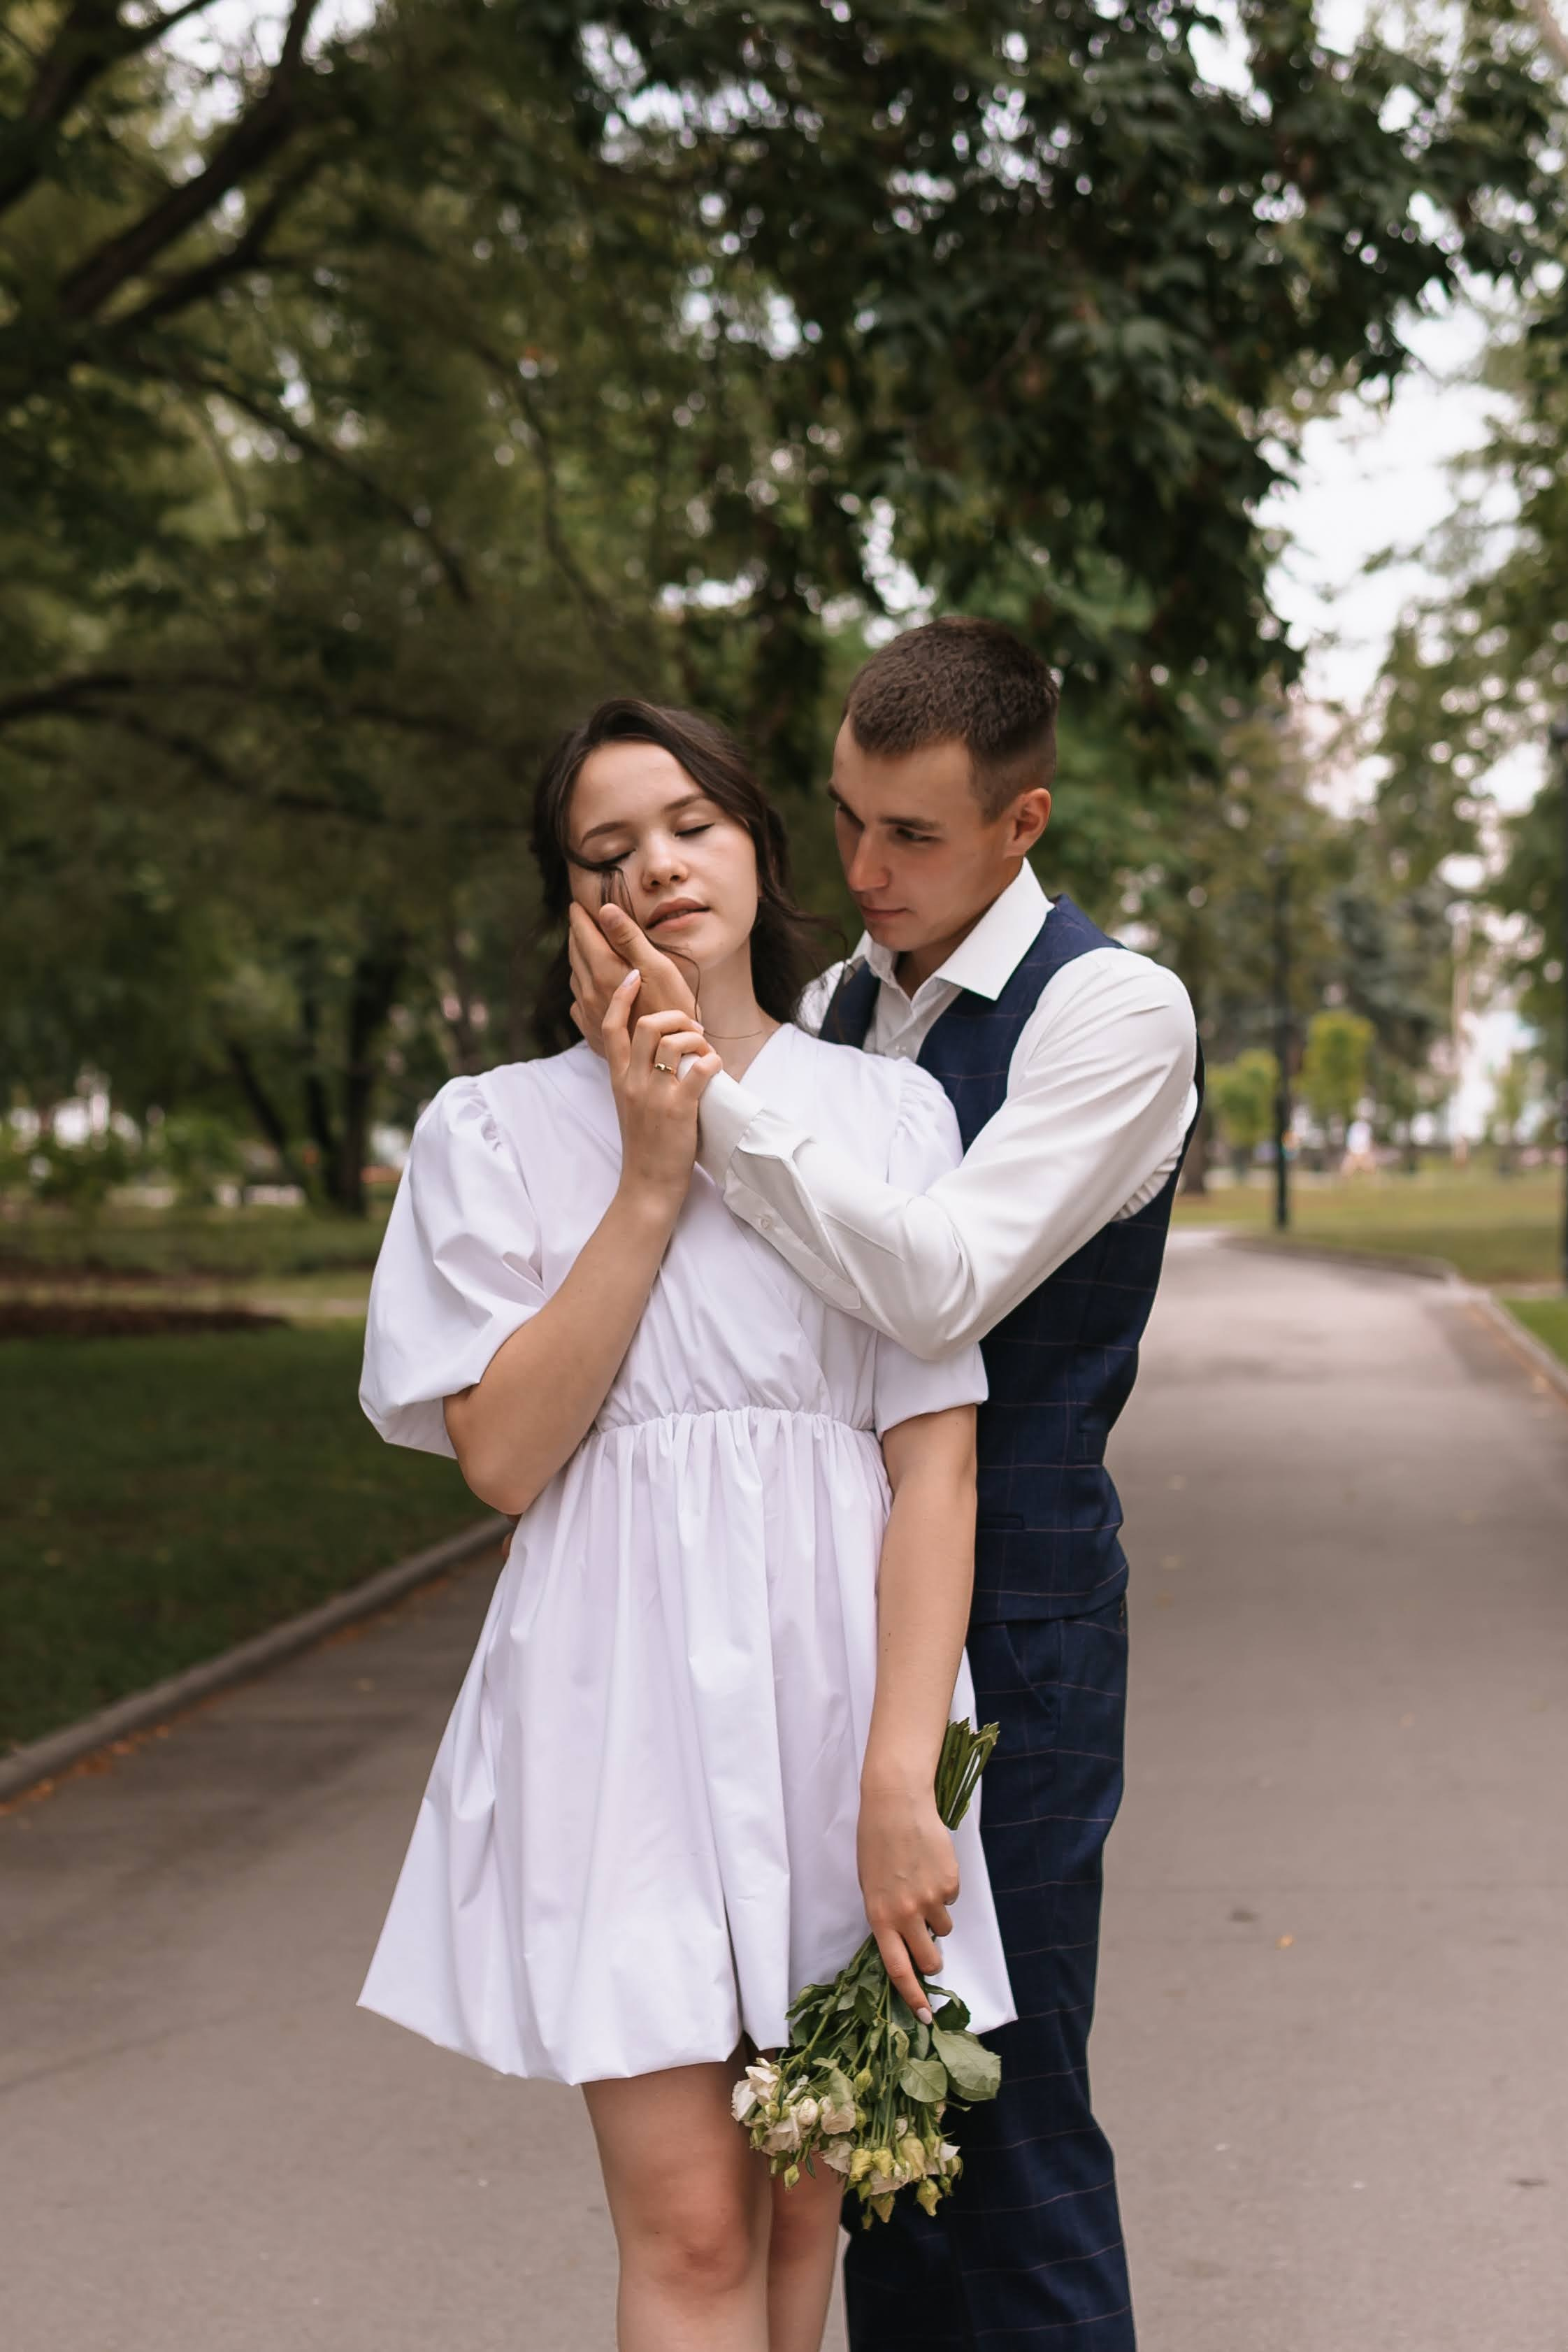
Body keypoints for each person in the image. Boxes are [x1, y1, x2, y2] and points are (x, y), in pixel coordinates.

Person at [568, 619, 1202, 2352]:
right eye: (846, 819)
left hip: (1020, 1617)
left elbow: (936, 1287)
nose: (863, 870)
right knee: (862, 2141)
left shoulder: (1114, 1010)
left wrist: (714, 1091)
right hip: (818, 1631)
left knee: (997, 2117)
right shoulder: (841, 1009)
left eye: (912, 835)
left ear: (1024, 821)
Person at [357, 696, 1014, 2352]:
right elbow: (504, 1453)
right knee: (698, 2227)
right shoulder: (493, 1131)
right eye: (606, 850)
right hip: (619, 1700)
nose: (654, 866)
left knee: (808, 2221)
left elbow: (933, 1459)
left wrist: (897, 1778)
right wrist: (655, 1166)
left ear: (758, 845)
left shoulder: (886, 1117)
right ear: (571, 900)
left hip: (840, 1701)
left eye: (688, 824)